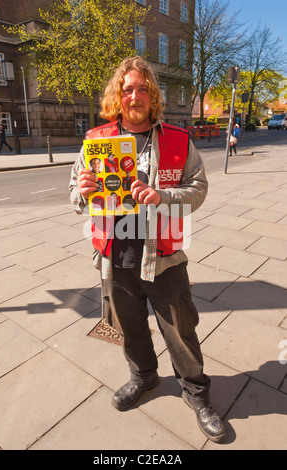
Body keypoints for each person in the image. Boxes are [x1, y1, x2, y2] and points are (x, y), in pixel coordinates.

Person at [69, 56, 226, 444]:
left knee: (180, 330)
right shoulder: (96, 140)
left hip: (164, 256)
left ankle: (197, 393)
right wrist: (83, 191)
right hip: (115, 256)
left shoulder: (177, 138)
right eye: (127, 90)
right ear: (117, 97)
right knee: (130, 328)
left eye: (142, 89)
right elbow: (74, 192)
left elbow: (199, 188)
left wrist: (162, 196)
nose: (134, 96)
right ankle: (144, 376)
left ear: (152, 95)